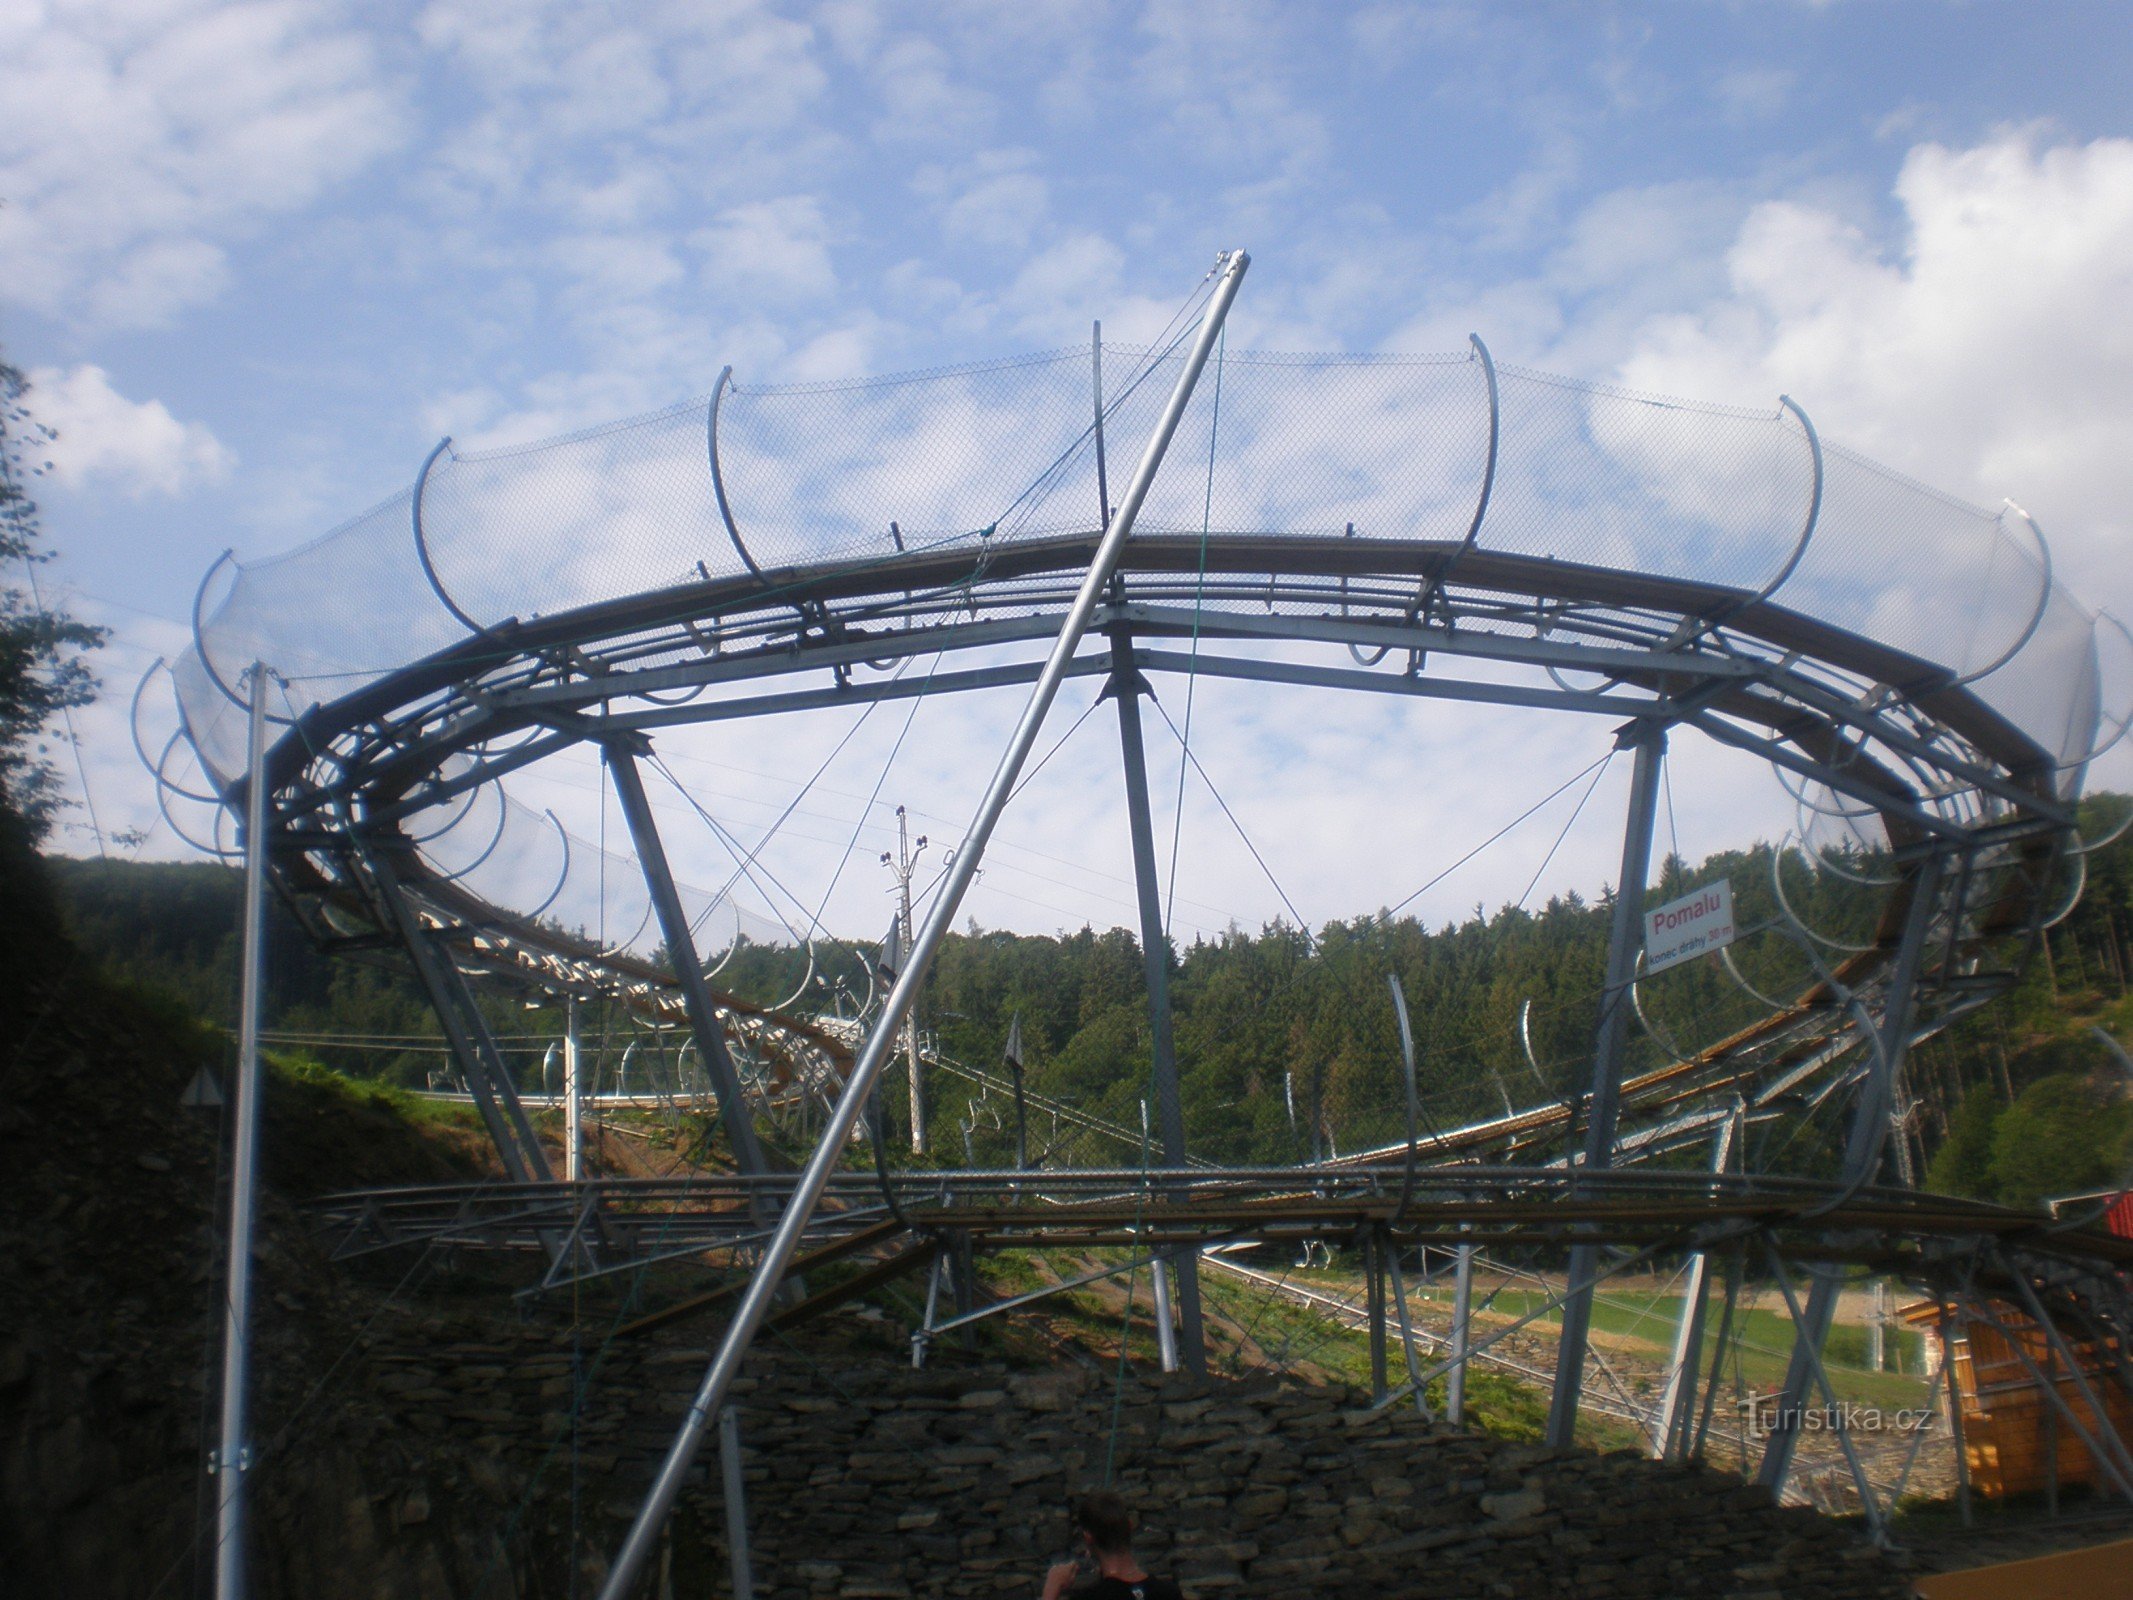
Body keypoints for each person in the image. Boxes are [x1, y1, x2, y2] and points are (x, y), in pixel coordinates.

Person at [1040, 1491, 1181, 1600]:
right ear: (1130, 1526)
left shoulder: (1090, 1598)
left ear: (1088, 1537)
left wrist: (1052, 1588)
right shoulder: (1170, 1594)